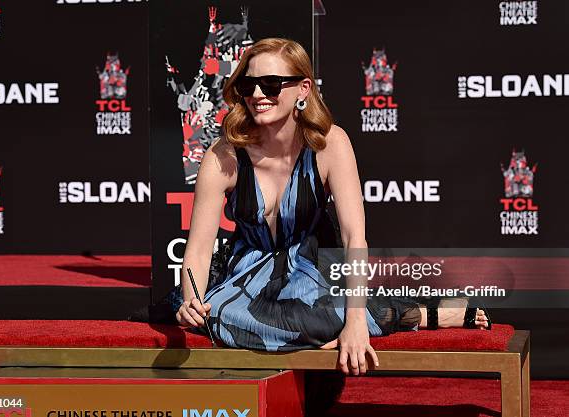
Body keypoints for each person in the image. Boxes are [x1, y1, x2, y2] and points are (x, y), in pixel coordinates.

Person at [172, 38, 490, 376]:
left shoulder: (330, 143)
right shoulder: (223, 155)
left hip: (311, 266)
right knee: (215, 315)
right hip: (248, 270)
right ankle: (404, 317)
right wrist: (193, 301)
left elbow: (355, 239)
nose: (257, 95)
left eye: (271, 84)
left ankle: (390, 316)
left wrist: (354, 324)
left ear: (303, 89)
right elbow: (199, 251)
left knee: (333, 314)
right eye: (248, 85)